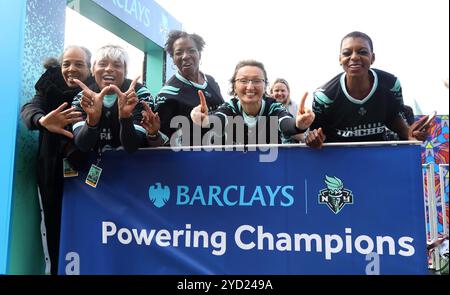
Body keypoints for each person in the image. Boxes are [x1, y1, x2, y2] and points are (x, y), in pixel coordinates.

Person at [21, 45, 93, 275]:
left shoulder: (98, 89)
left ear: (90, 69)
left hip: (90, 175)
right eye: (66, 64)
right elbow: (29, 109)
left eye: (79, 64)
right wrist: (43, 121)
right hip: (53, 174)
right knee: (54, 230)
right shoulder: (48, 89)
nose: (71, 69)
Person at [306, 31, 431, 148]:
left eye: (363, 52)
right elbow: (316, 133)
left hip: (377, 154)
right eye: (347, 53)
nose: (354, 57)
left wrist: (409, 134)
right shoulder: (324, 96)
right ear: (340, 59)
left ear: (373, 57)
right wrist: (313, 138)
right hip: (339, 158)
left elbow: (393, 117)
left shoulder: (391, 85)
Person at [190, 60, 314, 145]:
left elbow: (286, 123)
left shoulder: (273, 107)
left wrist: (299, 125)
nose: (250, 87)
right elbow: (218, 119)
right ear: (234, 86)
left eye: (256, 81)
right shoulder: (230, 108)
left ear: (265, 86)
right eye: (243, 81)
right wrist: (205, 121)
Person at [72, 45, 152, 155]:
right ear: (93, 70)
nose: (109, 69)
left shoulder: (139, 94)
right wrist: (92, 120)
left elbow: (132, 146)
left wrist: (125, 117)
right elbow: (83, 145)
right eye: (102, 64)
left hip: (134, 166)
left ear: (125, 72)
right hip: (96, 167)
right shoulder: (82, 97)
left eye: (117, 65)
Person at [153, 30, 224, 146]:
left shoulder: (211, 81)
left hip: (221, 153)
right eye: (179, 52)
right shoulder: (166, 94)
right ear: (173, 59)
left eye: (191, 50)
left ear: (199, 54)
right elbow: (162, 141)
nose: (185, 56)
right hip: (190, 159)